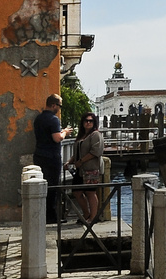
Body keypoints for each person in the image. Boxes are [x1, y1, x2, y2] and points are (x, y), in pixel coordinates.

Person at [33, 94, 69, 224]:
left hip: (39, 155)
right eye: (59, 106)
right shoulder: (54, 120)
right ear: (53, 105)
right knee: (53, 187)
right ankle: (52, 217)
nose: (59, 108)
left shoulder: (38, 119)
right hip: (52, 157)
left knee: (41, 186)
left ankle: (41, 215)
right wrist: (64, 132)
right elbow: (57, 138)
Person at [72, 112, 110, 224]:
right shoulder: (81, 136)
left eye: (90, 121)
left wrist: (81, 161)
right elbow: (77, 152)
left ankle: (93, 217)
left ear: (94, 123)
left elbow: (96, 151)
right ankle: (86, 213)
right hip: (80, 169)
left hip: (91, 168)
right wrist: (70, 161)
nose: (88, 123)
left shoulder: (96, 135)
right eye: (86, 120)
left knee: (90, 192)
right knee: (76, 192)